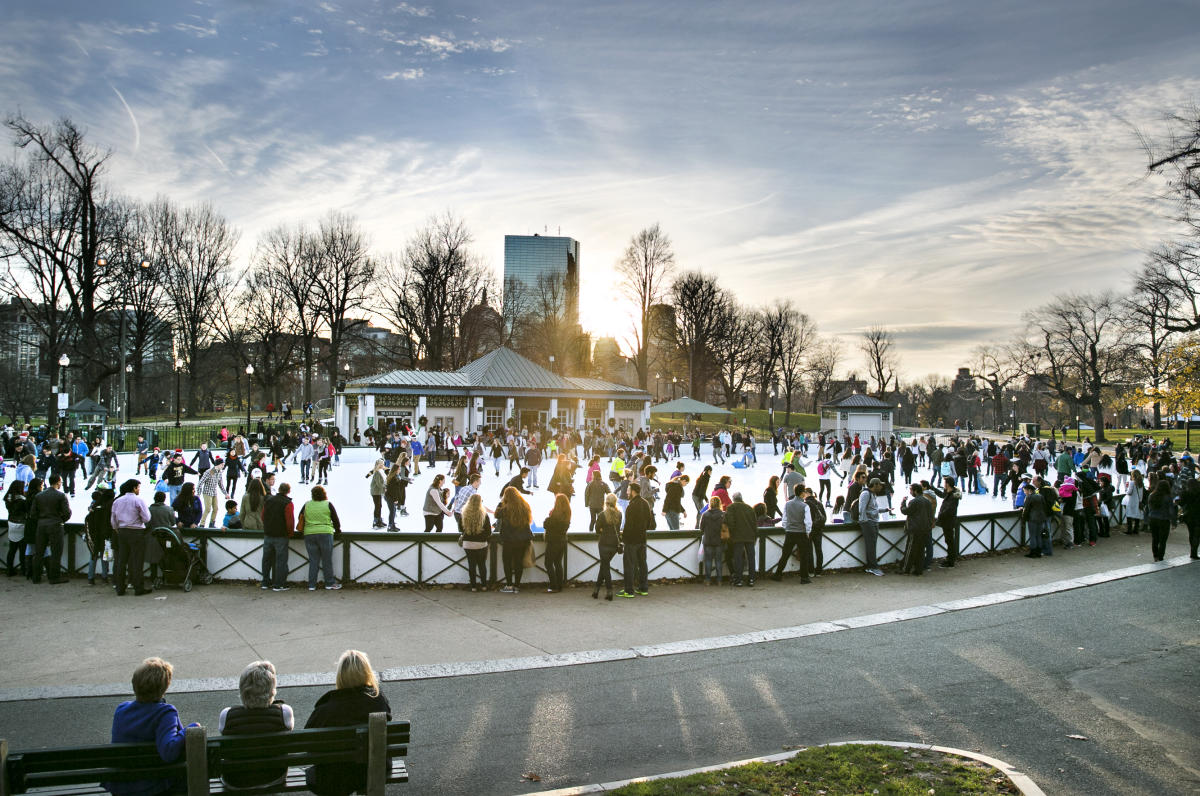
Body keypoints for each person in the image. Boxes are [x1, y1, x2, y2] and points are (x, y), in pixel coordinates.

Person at [103, 657, 199, 796]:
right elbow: (168, 752)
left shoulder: (121, 709)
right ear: (164, 687)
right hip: (151, 787)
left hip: (120, 786)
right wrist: (189, 729)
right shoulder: (165, 713)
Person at [304, 650, 392, 796]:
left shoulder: (326, 709)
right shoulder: (379, 701)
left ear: (341, 676)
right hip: (372, 770)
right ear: (367, 673)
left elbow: (308, 744)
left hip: (334, 777)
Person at [217, 661, 294, 790]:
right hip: (273, 776)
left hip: (235, 780)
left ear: (242, 689)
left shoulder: (226, 715)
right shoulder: (284, 712)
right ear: (272, 690)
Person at [299, 485, 341, 590]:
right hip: (325, 533)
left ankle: (312, 585)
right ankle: (329, 583)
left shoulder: (307, 505)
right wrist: (338, 530)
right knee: (327, 560)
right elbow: (335, 519)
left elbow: (300, 517)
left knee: (313, 560)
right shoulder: (328, 504)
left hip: (309, 534)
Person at [31, 473, 71, 584]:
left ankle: (36, 577)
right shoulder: (61, 496)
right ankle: (54, 577)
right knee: (56, 552)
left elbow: (33, 514)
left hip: (41, 525)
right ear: (58, 481)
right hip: (56, 525)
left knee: (39, 552)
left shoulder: (39, 496)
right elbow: (67, 513)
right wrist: (60, 520)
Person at [616, 482, 655, 597]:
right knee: (642, 564)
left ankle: (629, 590)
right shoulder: (645, 503)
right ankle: (643, 588)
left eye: (628, 490)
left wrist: (623, 539)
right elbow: (649, 522)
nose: (626, 492)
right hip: (642, 539)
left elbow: (628, 526)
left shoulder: (631, 506)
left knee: (629, 565)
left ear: (633, 491)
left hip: (631, 540)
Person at [495, 485, 533, 593]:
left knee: (507, 562)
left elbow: (497, 514)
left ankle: (509, 585)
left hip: (509, 540)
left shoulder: (505, 508)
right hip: (522, 540)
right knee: (518, 562)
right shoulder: (525, 506)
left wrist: (501, 502)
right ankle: (517, 586)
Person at [771, 484, 813, 583]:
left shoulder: (787, 504)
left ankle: (778, 574)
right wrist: (808, 531)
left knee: (785, 554)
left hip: (790, 532)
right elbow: (808, 521)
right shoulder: (805, 506)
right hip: (801, 533)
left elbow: (784, 519)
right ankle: (804, 577)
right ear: (802, 493)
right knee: (804, 556)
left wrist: (787, 528)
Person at [262, 483, 295, 591]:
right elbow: (290, 521)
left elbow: (263, 516)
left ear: (279, 489)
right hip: (281, 535)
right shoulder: (288, 503)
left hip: (268, 534)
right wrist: (290, 533)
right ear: (288, 491)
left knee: (266, 559)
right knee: (281, 560)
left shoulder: (269, 501)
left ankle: (265, 582)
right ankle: (279, 584)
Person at [900, 483, 935, 575]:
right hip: (924, 529)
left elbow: (905, 511)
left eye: (911, 490)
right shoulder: (927, 501)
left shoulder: (914, 501)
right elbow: (930, 515)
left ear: (915, 491)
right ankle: (918, 570)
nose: (910, 492)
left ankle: (905, 569)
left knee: (910, 550)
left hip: (914, 529)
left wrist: (903, 503)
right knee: (920, 550)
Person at [724, 491, 758, 587]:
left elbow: (730, 522)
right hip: (750, 536)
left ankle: (739, 580)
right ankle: (751, 579)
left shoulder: (731, 507)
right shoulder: (749, 508)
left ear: (733, 499)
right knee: (751, 557)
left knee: (738, 558)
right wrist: (755, 536)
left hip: (737, 537)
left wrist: (732, 533)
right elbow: (754, 524)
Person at [459, 493, 492, 591]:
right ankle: (484, 586)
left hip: (468, 544)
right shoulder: (484, 515)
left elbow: (460, 528)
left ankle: (473, 586)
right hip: (481, 543)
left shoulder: (464, 514)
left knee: (471, 565)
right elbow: (489, 532)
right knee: (482, 565)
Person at [592, 493, 621, 600]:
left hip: (604, 543)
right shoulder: (619, 514)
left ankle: (609, 591)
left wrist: (602, 530)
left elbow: (597, 530)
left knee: (605, 566)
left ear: (606, 502)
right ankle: (596, 590)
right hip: (614, 545)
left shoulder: (601, 515)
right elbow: (618, 529)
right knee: (604, 566)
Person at [85, 484, 116, 585]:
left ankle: (90, 578)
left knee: (93, 556)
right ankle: (104, 577)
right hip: (104, 535)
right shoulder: (106, 509)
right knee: (104, 556)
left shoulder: (93, 509)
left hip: (94, 535)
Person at [542, 493, 570, 592]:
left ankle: (553, 585)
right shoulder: (567, 514)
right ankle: (559, 585)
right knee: (558, 563)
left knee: (548, 563)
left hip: (553, 541)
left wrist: (549, 516)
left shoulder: (555, 515)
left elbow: (546, 525)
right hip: (562, 541)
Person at [858, 478, 884, 576]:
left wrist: (885, 510)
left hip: (872, 522)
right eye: (880, 485)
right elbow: (862, 509)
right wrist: (865, 521)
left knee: (872, 544)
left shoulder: (872, 494)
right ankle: (872, 566)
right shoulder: (866, 494)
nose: (881, 487)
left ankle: (872, 565)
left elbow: (872, 509)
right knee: (871, 545)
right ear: (875, 485)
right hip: (868, 522)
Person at [699, 495, 725, 585]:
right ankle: (719, 580)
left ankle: (708, 580)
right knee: (718, 561)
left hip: (708, 540)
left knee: (708, 561)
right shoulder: (723, 514)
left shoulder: (705, 514)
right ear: (719, 504)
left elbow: (701, 528)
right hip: (719, 541)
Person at [1146, 479, 1174, 562]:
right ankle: (1161, 556)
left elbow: (1148, 507)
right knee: (1163, 540)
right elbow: (1171, 510)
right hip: (1164, 519)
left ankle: (1155, 556)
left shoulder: (1151, 495)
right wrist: (1174, 521)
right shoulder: (1168, 497)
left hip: (1153, 518)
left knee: (1155, 538)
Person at [4, 480, 28, 577]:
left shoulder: (8, 498)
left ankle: (9, 569)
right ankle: (23, 569)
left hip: (11, 523)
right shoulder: (22, 499)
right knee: (22, 549)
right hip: (21, 524)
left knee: (12, 549)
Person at [198, 460, 228, 528]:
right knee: (208, 509)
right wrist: (198, 493)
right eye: (222, 464)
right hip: (207, 492)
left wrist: (225, 494)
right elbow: (200, 482)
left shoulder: (219, 472)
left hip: (214, 493)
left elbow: (221, 484)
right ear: (218, 465)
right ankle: (202, 524)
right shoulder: (210, 472)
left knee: (216, 508)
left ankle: (212, 523)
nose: (223, 466)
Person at [366, 459, 386, 529]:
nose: (383, 465)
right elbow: (379, 484)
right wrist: (385, 488)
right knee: (377, 506)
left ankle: (379, 520)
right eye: (381, 464)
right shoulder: (377, 472)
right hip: (375, 492)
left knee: (379, 506)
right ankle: (375, 522)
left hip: (378, 492)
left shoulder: (381, 471)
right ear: (379, 465)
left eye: (383, 463)